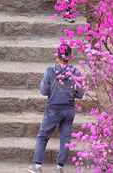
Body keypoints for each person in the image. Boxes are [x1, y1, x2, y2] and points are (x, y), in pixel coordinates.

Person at [28, 44, 84, 173]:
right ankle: (60, 167)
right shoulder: (76, 72)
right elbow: (80, 94)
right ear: (70, 57)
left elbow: (43, 91)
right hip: (69, 109)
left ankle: (37, 166)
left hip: (53, 108)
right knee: (65, 138)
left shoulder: (50, 71)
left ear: (57, 56)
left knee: (43, 136)